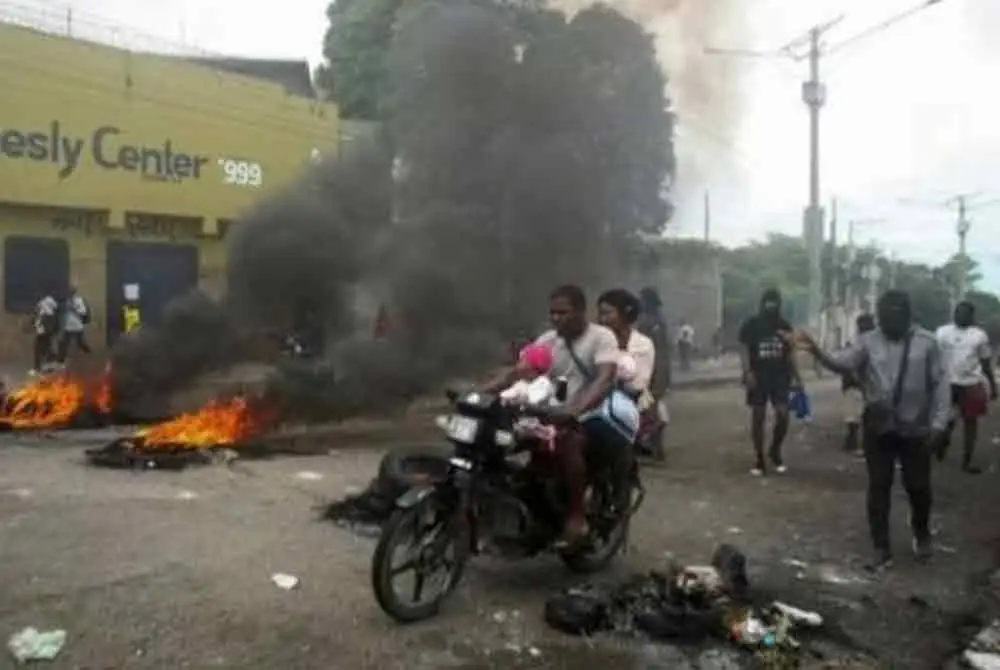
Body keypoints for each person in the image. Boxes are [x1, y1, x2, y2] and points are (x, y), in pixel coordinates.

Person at [787, 290, 950, 570]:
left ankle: (921, 533)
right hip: (879, 426)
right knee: (879, 487)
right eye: (884, 315)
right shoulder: (867, 341)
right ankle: (880, 547)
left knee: (918, 487)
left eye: (895, 314)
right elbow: (842, 364)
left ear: (907, 315)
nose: (889, 320)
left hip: (916, 429)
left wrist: (939, 424)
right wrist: (815, 350)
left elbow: (940, 386)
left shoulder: (928, 343)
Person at [483, 285, 623, 546]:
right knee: (495, 439)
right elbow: (518, 371)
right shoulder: (549, 340)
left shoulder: (601, 337)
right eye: (553, 313)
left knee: (568, 443)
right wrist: (479, 393)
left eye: (563, 312)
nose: (556, 318)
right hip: (546, 414)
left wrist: (575, 410)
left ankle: (577, 516)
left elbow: (604, 380)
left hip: (588, 416)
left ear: (581, 311)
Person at [737, 288, 800, 475]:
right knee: (758, 417)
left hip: (781, 377)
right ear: (762, 303)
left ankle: (775, 449)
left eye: (774, 302)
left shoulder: (785, 326)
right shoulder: (751, 324)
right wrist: (747, 371)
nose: (771, 305)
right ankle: (759, 458)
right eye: (768, 301)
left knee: (783, 415)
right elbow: (744, 349)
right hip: (758, 376)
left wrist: (798, 377)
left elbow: (791, 353)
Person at [935, 301, 998, 473]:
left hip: (970, 383)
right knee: (946, 419)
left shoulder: (979, 335)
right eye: (957, 312)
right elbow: (933, 356)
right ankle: (942, 442)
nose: (959, 315)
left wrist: (992, 384)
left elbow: (985, 362)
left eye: (964, 313)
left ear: (971, 316)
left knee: (971, 422)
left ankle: (967, 460)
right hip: (947, 383)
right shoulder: (942, 332)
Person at [597, 289, 661, 458]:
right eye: (600, 314)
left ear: (626, 314)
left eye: (608, 313)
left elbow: (637, 385)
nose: (602, 320)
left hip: (628, 405)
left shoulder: (642, 345)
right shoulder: (594, 341)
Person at [841, 313, 876, 454]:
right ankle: (858, 440)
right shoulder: (875, 341)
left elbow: (846, 362)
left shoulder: (854, 341)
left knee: (853, 413)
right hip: (865, 383)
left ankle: (853, 439)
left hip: (854, 383)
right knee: (864, 413)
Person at [56, 286, 91, 364]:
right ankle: (60, 360)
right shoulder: (66, 301)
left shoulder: (79, 300)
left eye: (71, 292)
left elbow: (83, 312)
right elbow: (62, 313)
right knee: (63, 343)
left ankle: (90, 354)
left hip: (77, 326)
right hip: (68, 326)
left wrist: (73, 308)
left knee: (81, 343)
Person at [29, 293, 59, 376]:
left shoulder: (49, 314)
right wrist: (34, 324)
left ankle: (43, 367)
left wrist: (44, 330)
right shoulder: (41, 312)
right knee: (40, 350)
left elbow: (53, 326)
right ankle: (41, 367)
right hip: (41, 333)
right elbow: (34, 320)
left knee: (44, 349)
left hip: (45, 334)